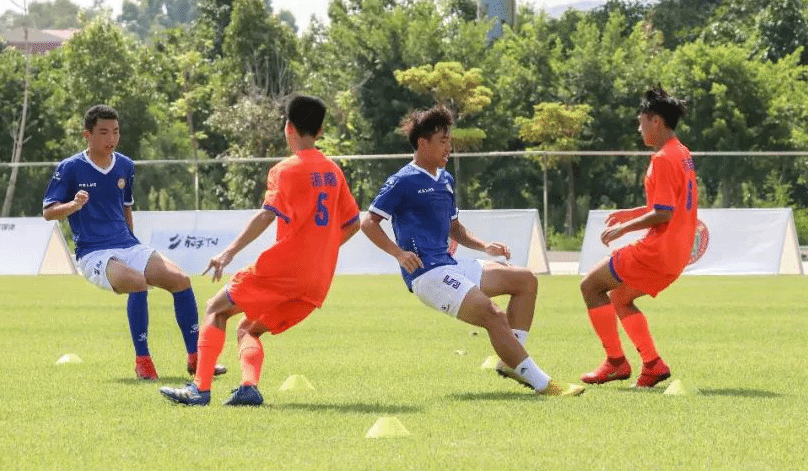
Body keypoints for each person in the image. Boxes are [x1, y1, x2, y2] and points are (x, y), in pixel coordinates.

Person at [360, 105, 584, 397]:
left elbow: (455, 228)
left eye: (450, 141)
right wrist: (399, 254)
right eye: (443, 141)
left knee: (525, 280)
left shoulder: (445, 179)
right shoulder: (403, 181)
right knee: (493, 314)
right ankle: (543, 384)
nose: (449, 148)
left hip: (450, 265)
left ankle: (511, 362)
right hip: (427, 275)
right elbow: (369, 223)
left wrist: (484, 246)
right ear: (422, 143)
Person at [160, 95, 361, 406]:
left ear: (288, 127)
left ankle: (200, 389)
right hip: (316, 281)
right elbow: (354, 223)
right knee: (247, 328)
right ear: (320, 131)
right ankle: (249, 387)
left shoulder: (285, 170)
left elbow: (267, 215)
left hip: (283, 270)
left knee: (215, 308)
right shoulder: (334, 172)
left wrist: (227, 253)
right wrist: (320, 250)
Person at [43, 104, 225, 381]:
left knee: (181, 280)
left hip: (129, 245)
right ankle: (143, 361)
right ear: (87, 135)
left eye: (115, 132)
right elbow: (48, 212)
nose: (111, 138)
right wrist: (73, 205)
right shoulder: (70, 168)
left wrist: (134, 244)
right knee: (137, 282)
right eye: (103, 132)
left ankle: (196, 358)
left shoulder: (125, 166)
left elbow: (126, 208)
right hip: (93, 253)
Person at [580, 86, 698, 388]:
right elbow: (666, 205)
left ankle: (615, 362)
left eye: (641, 121)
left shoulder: (663, 158)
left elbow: (664, 214)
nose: (639, 129)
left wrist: (623, 229)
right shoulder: (682, 153)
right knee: (620, 298)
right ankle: (653, 365)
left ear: (655, 120)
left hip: (657, 250)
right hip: (677, 253)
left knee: (590, 286)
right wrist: (630, 214)